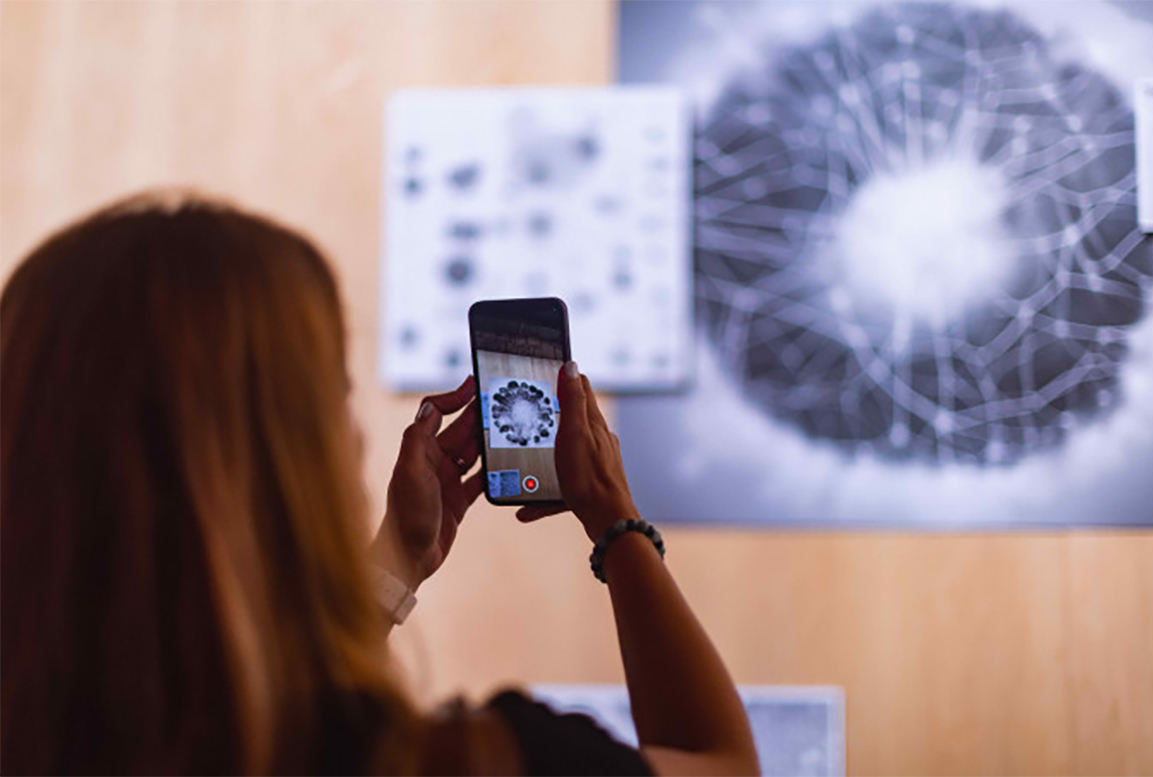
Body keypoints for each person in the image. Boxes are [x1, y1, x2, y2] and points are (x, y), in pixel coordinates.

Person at [0, 192, 760, 776]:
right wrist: (618, 524)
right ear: (281, 461)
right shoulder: (466, 763)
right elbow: (719, 760)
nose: (358, 432)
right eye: (334, 397)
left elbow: (263, 712)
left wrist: (398, 555)